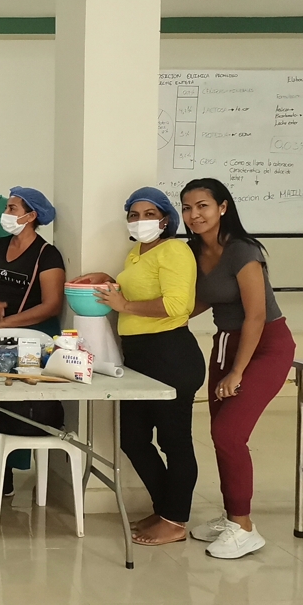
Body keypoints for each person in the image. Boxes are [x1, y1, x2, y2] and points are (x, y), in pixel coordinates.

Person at [75, 189, 201, 548]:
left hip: (170, 354)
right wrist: (110, 279)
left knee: (174, 441)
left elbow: (177, 305)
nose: (140, 221)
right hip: (138, 357)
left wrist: (124, 305)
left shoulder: (175, 250)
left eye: (149, 214)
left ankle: (175, 520)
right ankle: (164, 509)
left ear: (165, 219)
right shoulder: (136, 253)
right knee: (132, 438)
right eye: (133, 214)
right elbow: (136, 288)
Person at [181, 178, 296, 559]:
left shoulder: (243, 250)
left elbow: (256, 315)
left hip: (265, 346)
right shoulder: (194, 250)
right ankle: (232, 516)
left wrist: (237, 372)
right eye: (187, 208)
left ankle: (244, 528)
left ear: (223, 208)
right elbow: (199, 301)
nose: (194, 215)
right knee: (221, 435)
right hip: (226, 345)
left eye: (203, 206)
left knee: (229, 433)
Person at [0, 189, 68, 508]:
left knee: (13, 407)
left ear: (31, 215)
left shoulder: (47, 255)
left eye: (12, 208)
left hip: (31, 341)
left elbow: (51, 305)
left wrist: (7, 323)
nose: (5, 213)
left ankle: (1, 476)